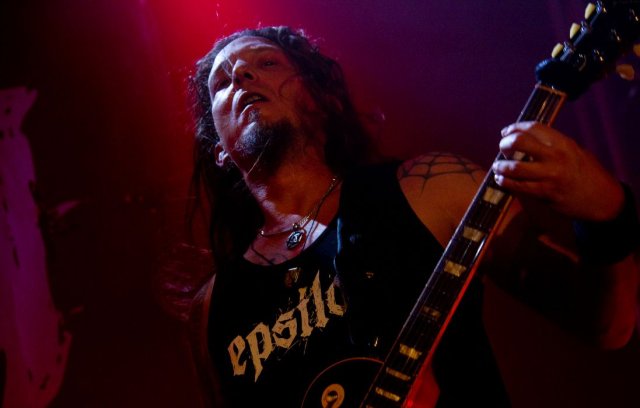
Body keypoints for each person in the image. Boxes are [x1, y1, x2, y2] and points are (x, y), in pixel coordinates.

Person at [185, 26, 639, 407]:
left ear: (322, 99)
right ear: (219, 150)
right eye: (222, 83)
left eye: (266, 63)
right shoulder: (214, 309)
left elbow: (608, 325)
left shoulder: (429, 188)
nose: (241, 75)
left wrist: (609, 215)